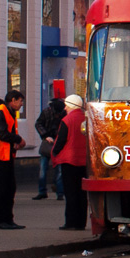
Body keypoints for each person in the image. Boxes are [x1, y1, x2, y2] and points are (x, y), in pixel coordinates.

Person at [0, 90, 27, 230]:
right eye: (20, 101)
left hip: (5, 154)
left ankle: (7, 219)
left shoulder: (8, 112)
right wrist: (18, 139)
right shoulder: (1, 111)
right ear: (13, 100)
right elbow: (2, 133)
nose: (21, 104)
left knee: (9, 188)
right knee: (2, 188)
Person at [51, 95, 87, 230]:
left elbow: (61, 140)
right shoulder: (86, 119)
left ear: (72, 105)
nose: (65, 108)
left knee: (71, 192)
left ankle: (71, 222)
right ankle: (81, 222)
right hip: (84, 161)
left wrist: (54, 152)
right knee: (82, 193)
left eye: (67, 105)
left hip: (70, 160)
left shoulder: (67, 120)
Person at [34, 98, 66, 200]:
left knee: (59, 170)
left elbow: (38, 124)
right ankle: (43, 191)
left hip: (57, 143)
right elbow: (38, 124)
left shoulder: (62, 113)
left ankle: (59, 192)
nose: (57, 115)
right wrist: (46, 136)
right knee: (44, 169)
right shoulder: (47, 112)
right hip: (49, 143)